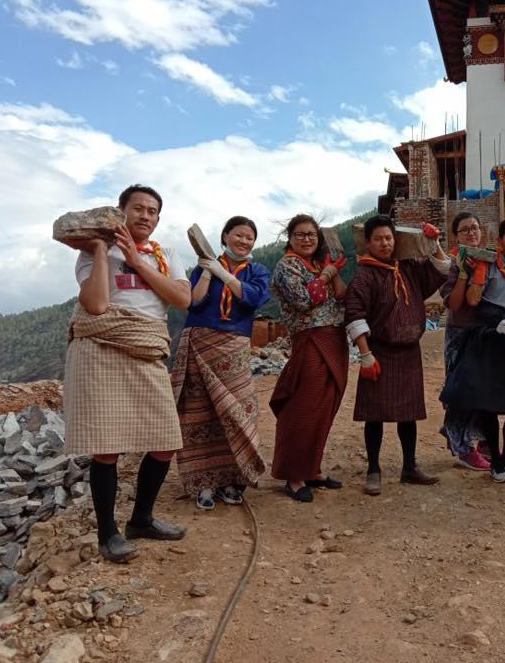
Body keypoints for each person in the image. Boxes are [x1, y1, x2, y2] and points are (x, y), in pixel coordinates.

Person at [63, 185, 191, 563]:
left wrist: (137, 262)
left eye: (153, 211)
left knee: (165, 439)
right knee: (108, 447)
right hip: (102, 349)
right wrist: (104, 248)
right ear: (120, 211)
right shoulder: (92, 253)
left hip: (147, 347)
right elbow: (98, 304)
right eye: (138, 208)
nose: (146, 216)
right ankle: (107, 535)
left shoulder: (165, 255)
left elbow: (182, 299)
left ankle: (141, 519)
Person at [344, 215, 451, 496]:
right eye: (378, 238)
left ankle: (409, 467)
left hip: (409, 353)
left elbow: (440, 269)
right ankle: (374, 470)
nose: (384, 243)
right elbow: (355, 315)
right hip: (379, 352)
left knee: (409, 414)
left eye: (389, 238)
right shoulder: (364, 275)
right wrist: (366, 356)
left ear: (395, 240)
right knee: (374, 415)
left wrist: (434, 242)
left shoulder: (408, 267)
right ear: (368, 242)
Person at [171, 216, 270, 511]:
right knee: (198, 413)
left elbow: (253, 298)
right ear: (225, 236)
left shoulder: (257, 270)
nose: (244, 241)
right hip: (201, 342)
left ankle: (233, 478)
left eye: (249, 237)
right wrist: (206, 272)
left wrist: (225, 276)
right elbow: (194, 302)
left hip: (235, 345)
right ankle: (203, 481)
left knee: (239, 410)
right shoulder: (206, 265)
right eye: (238, 235)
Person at [441, 218, 505, 483]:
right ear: (500, 240)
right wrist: (467, 273)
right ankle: (479, 451)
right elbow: (469, 300)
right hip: (483, 336)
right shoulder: (483, 265)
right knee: (482, 398)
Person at [269, 214, 349, 503]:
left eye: (311, 234)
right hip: (310, 339)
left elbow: (341, 296)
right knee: (303, 407)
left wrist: (333, 272)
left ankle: (312, 469)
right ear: (289, 238)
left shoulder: (317, 264)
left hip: (334, 339)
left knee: (326, 406)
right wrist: (326, 275)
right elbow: (304, 300)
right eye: (300, 234)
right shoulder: (286, 266)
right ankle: (293, 475)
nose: (306, 239)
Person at [438, 212, 490, 471]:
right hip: (461, 335)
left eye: (475, 227)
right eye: (465, 229)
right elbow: (455, 304)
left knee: (483, 392)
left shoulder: (490, 260)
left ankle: (477, 441)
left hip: (484, 334)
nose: (472, 233)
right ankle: (464, 448)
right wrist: (463, 275)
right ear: (456, 236)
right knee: (462, 391)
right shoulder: (453, 264)